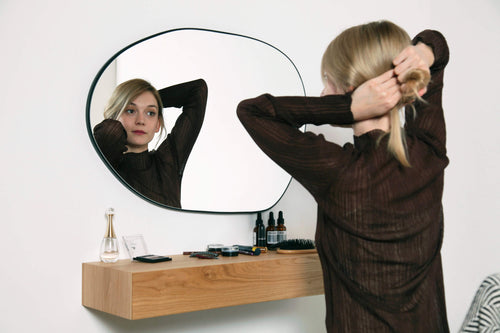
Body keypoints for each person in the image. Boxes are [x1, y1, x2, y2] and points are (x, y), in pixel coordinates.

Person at [237, 20, 449, 332]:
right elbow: (437, 48)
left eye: (329, 85)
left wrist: (347, 107)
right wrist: (424, 50)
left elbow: (252, 112)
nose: (323, 93)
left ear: (351, 90)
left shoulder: (337, 170)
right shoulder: (429, 153)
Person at [94, 78, 207, 208]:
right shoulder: (105, 163)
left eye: (150, 113)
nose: (141, 121)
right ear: (113, 118)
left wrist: (151, 99)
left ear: (157, 124)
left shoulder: (167, 164)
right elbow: (110, 132)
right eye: (130, 110)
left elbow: (198, 90)